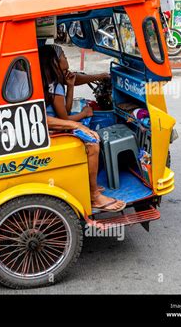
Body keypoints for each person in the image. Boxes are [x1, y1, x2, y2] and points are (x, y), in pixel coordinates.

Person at [40, 45, 126, 212]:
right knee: (93, 142)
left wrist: (71, 86)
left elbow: (66, 106)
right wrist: (82, 117)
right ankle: (94, 195)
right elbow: (64, 118)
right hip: (53, 131)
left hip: (53, 126)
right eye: (64, 55)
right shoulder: (55, 86)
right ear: (56, 62)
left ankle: (88, 184)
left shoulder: (54, 81)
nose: (66, 58)